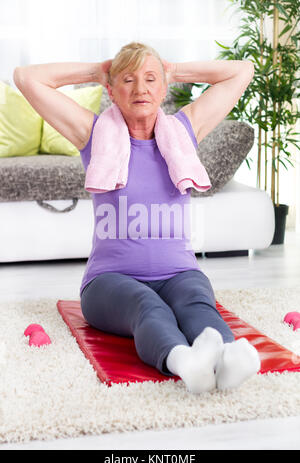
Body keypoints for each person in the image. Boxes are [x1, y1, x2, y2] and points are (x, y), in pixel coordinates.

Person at [14, 42, 260, 394]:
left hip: (179, 273)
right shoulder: (94, 134)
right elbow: (26, 77)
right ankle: (186, 364)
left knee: (198, 303)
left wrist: (173, 70)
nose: (141, 89)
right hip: (108, 282)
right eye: (128, 80)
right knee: (148, 306)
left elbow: (242, 71)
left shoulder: (184, 132)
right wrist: (97, 73)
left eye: (150, 79)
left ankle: (229, 358)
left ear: (163, 89)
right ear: (112, 91)